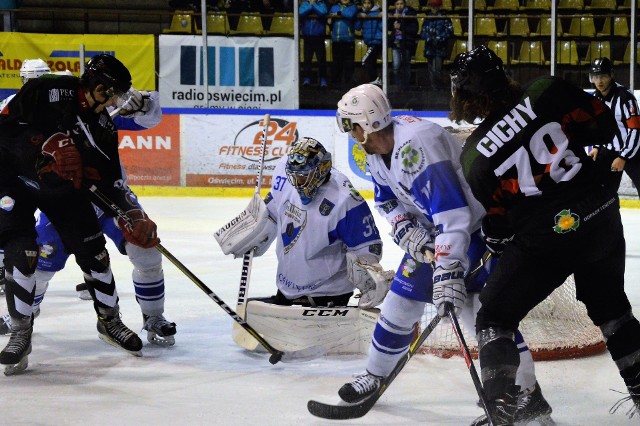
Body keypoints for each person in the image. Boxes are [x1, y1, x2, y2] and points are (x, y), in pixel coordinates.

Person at [334, 83, 552, 424]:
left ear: (369, 123)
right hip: (435, 235)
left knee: (479, 316)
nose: (349, 131)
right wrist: (407, 230)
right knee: (399, 303)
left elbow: (456, 215)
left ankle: (527, 396)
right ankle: (375, 376)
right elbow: (386, 199)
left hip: (474, 233)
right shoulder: (375, 152)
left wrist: (448, 269)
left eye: (351, 124)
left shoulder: (419, 147)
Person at [449, 45, 640, 423]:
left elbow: (500, 226)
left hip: (545, 240)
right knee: (613, 311)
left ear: (466, 96)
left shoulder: (474, 155)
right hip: (600, 215)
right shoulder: (545, 90)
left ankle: (505, 411)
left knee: (494, 318)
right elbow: (602, 125)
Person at [0, 53, 160, 374]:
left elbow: (109, 178)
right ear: (97, 86)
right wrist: (40, 145)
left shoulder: (102, 125)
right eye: (111, 93)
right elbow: (5, 128)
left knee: (95, 254)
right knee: (23, 252)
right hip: (15, 179)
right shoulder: (48, 90)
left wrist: (130, 213)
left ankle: (109, 321)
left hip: (61, 190)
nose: (114, 101)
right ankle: (21, 332)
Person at [216, 136, 387, 308]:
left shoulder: (345, 200)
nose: (298, 183)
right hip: (287, 286)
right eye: (295, 176)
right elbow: (274, 209)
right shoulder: (284, 171)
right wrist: (255, 228)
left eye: (304, 177)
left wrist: (368, 277)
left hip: (328, 292)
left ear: (321, 170)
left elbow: (367, 245)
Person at [587, 57, 640, 198]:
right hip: (609, 151)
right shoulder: (595, 99)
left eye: (603, 76)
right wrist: (597, 146)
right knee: (603, 193)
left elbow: (635, 129)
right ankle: (609, 220)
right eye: (595, 77)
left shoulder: (625, 98)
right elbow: (599, 127)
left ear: (611, 75)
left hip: (633, 153)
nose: (599, 81)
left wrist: (623, 156)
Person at [419, 0, 453, 91]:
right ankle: (434, 88)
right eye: (432, 6)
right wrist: (429, 38)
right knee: (431, 70)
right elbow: (423, 32)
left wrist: (439, 39)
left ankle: (439, 87)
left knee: (437, 69)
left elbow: (449, 31)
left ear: (439, 6)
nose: (434, 8)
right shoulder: (427, 18)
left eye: (436, 6)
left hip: (440, 48)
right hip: (429, 47)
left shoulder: (445, 17)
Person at [328, 0, 358, 89]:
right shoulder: (334, 7)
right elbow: (329, 19)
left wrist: (339, 13)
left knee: (349, 64)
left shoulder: (353, 7)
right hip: (336, 40)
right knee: (336, 63)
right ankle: (336, 85)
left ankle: (348, 85)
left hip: (348, 40)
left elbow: (350, 14)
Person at [389, 0, 418, 89]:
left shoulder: (411, 14)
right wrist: (391, 18)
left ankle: (406, 86)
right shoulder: (393, 14)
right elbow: (388, 26)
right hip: (396, 43)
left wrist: (401, 26)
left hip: (406, 43)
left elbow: (414, 29)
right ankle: (398, 85)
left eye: (401, 4)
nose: (399, 6)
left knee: (406, 64)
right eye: (397, 4)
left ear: (404, 4)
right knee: (396, 65)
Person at [299, 0, 329, 88]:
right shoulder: (305, 3)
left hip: (319, 36)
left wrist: (313, 5)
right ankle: (306, 79)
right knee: (307, 59)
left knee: (321, 59)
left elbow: (322, 12)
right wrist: (311, 6)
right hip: (307, 36)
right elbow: (301, 13)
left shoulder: (322, 3)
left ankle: (323, 80)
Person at [355, 0, 383, 85]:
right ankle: (375, 81)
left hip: (376, 41)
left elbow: (382, 27)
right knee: (371, 61)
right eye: (365, 3)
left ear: (372, 4)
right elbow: (357, 27)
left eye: (369, 3)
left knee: (365, 60)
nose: (367, 5)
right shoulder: (362, 14)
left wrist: (382, 17)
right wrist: (359, 16)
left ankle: (375, 79)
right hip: (369, 42)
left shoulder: (377, 13)